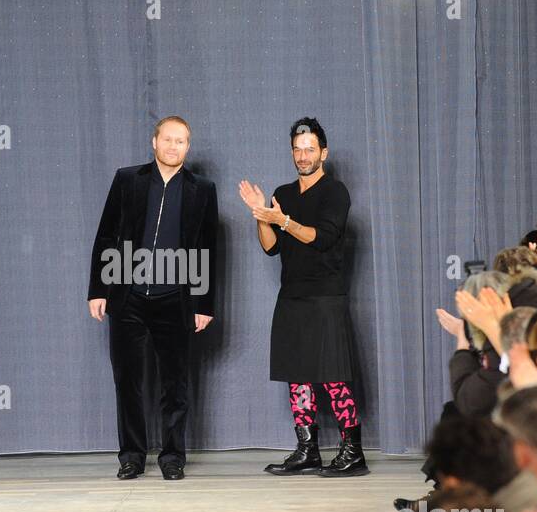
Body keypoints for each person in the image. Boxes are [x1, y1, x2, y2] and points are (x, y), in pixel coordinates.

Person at [87, 116, 218, 481]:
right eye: (168, 139)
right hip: (127, 296)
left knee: (175, 383)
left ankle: (173, 456)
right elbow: (106, 236)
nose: (174, 147)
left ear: (187, 147)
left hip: (174, 299)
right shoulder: (127, 179)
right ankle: (131, 455)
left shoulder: (202, 189)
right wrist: (98, 290)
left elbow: (208, 247)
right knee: (127, 379)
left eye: (181, 141)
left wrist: (204, 303)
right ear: (154, 142)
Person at [241, 117, 367, 477]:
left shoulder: (335, 191)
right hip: (291, 295)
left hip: (325, 296)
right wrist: (261, 215)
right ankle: (307, 449)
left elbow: (321, 238)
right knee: (297, 375)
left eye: (310, 148)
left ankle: (353, 450)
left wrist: (281, 220)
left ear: (323, 153)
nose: (303, 155)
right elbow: (270, 249)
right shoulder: (283, 193)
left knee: (332, 375)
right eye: (297, 149)